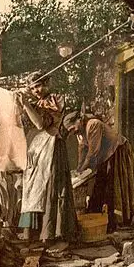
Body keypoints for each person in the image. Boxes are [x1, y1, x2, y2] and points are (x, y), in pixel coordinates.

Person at [16, 78, 78, 244]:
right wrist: (21, 105)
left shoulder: (54, 100)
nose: (37, 90)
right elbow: (24, 124)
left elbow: (40, 124)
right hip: (36, 150)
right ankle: (34, 233)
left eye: (39, 86)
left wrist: (26, 105)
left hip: (52, 148)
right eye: (33, 88)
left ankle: (50, 233)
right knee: (33, 189)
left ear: (47, 84)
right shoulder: (35, 104)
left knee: (51, 187)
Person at [67, 111, 134, 232]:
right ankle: (100, 220)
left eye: (73, 127)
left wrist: (83, 169)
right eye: (70, 130)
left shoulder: (93, 124)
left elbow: (92, 152)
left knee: (113, 186)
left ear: (79, 120)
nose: (72, 131)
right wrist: (79, 169)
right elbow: (82, 151)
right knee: (100, 187)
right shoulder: (80, 133)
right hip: (104, 156)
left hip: (117, 151)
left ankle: (118, 220)